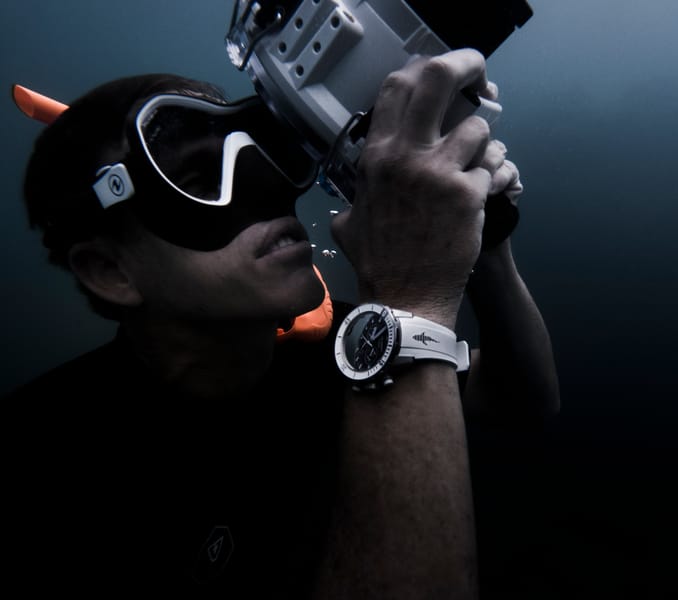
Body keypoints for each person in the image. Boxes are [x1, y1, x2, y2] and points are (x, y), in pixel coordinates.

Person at [6, 49, 558, 597]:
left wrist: (483, 244)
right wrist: (408, 299)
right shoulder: (43, 463)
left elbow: (522, 397)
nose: (268, 189)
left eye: (261, 151)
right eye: (197, 178)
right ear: (109, 271)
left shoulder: (348, 346)